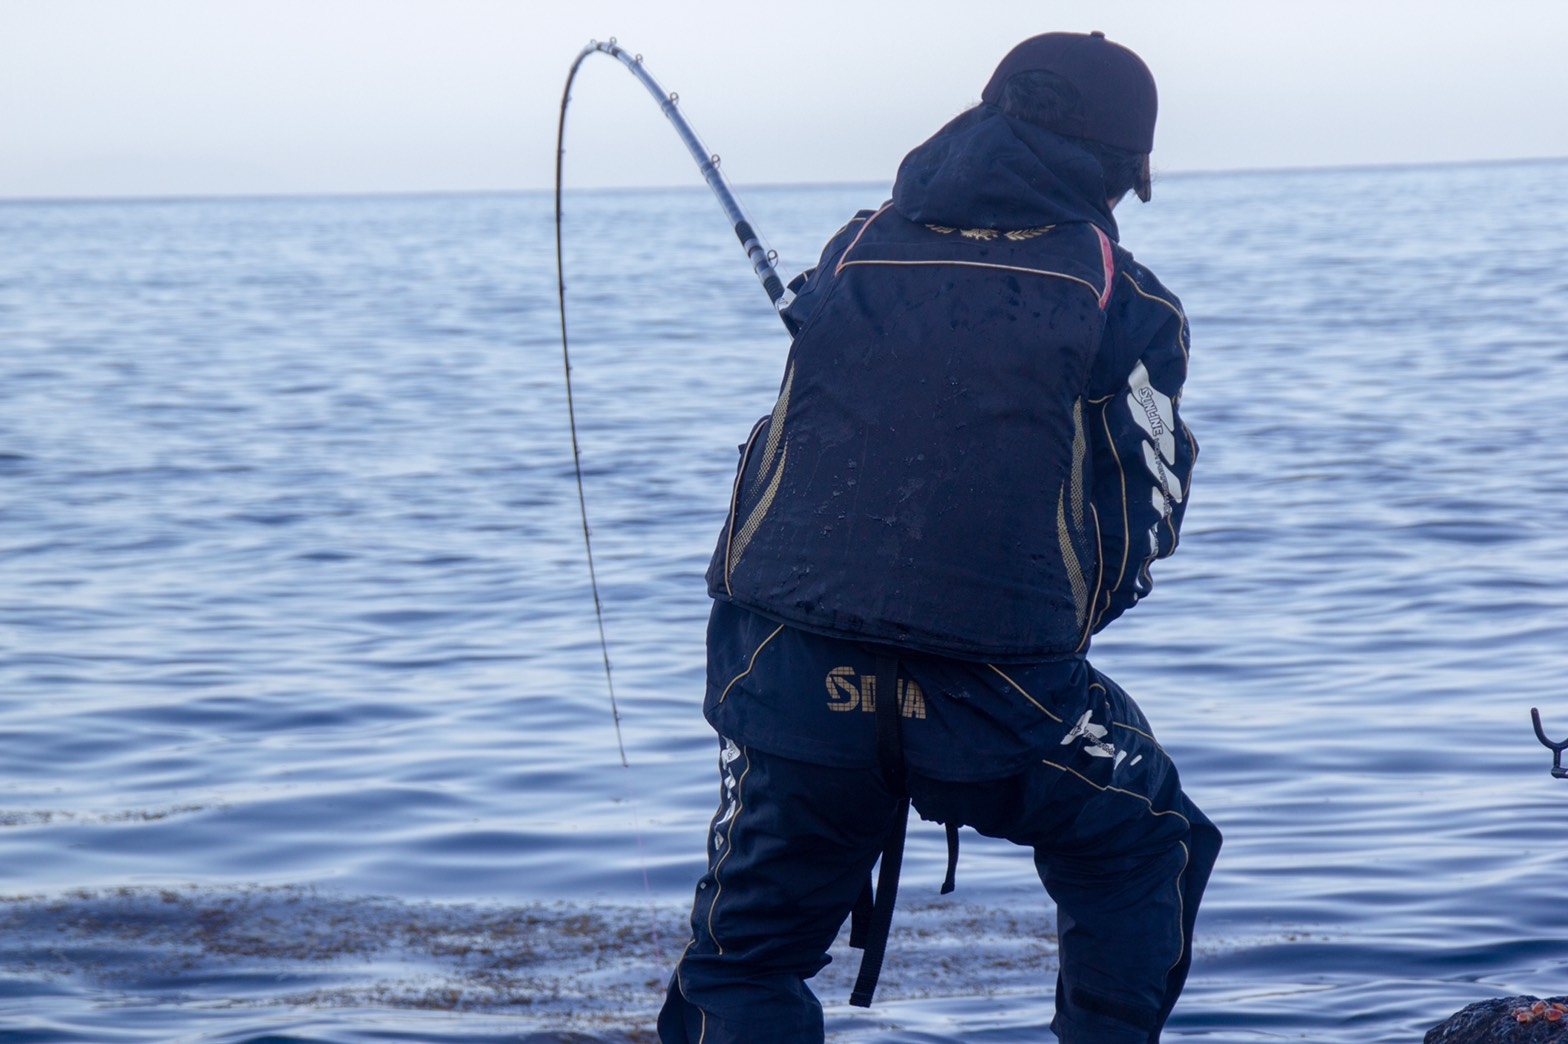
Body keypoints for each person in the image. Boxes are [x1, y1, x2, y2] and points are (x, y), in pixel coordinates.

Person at [657, 31, 1220, 1044]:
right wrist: (1061, 623)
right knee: (1149, 842)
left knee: (741, 958)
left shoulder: (853, 246)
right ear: (1116, 167)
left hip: (785, 680)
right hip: (995, 698)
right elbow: (1145, 513)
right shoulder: (1125, 301)